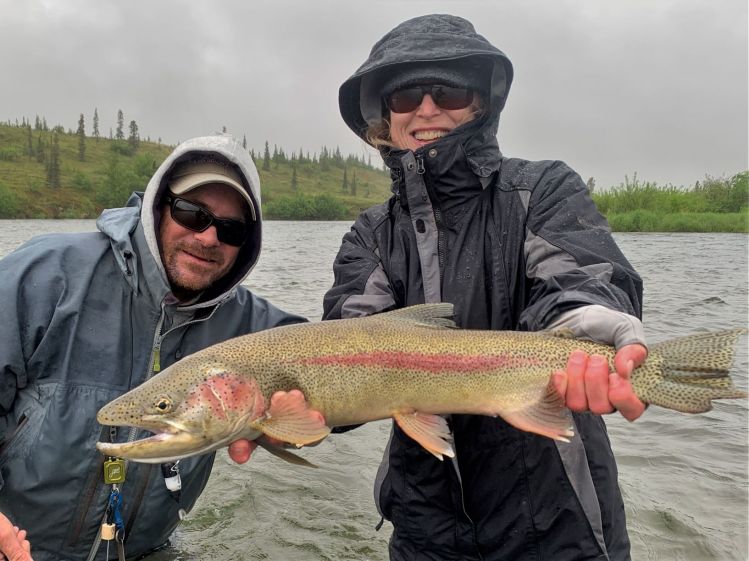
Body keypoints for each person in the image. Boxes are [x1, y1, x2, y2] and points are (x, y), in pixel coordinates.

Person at [321, 13, 647, 561]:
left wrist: (587, 318)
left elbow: (578, 277)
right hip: (423, 526)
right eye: (405, 97)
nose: (427, 109)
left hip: (560, 520)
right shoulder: (371, 233)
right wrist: (300, 410)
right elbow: (348, 339)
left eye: (447, 90)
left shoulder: (540, 190)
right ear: (384, 116)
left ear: (480, 102)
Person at [0, 134, 305, 561]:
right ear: (158, 206)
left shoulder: (256, 328)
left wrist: (293, 426)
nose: (208, 237)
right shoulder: (46, 273)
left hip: (149, 550)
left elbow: (344, 363)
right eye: (191, 213)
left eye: (231, 229)